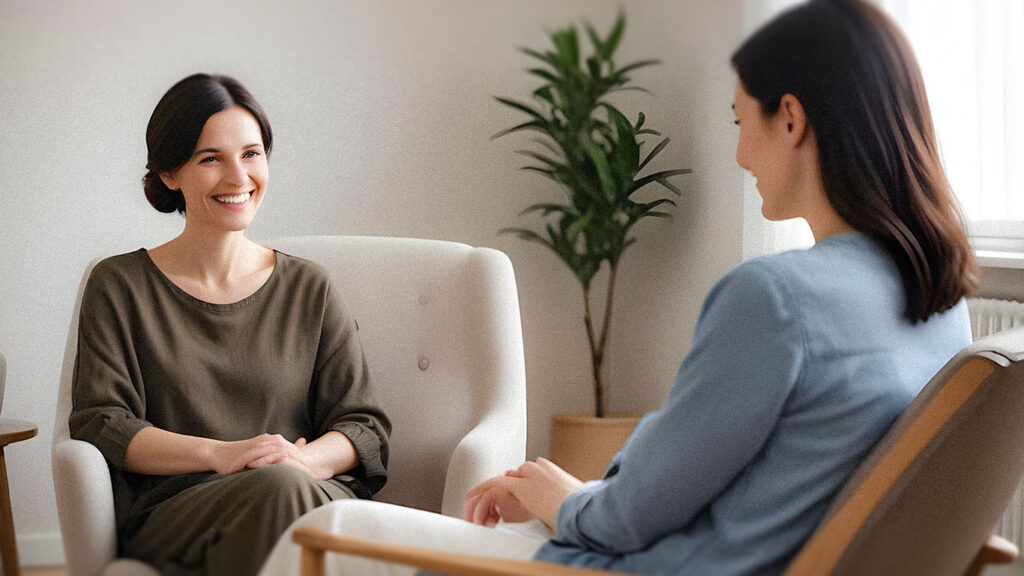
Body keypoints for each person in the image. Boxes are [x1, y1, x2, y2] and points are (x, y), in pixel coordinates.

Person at [258, 0, 977, 574]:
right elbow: (752, 485)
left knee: (334, 525)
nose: (737, 152)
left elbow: (631, 520)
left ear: (790, 117)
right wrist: (576, 498)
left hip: (644, 563)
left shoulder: (775, 299)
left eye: (740, 119)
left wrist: (558, 496)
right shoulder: (941, 301)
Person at [69, 73, 391, 576]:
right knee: (284, 495)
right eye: (210, 158)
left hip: (304, 493)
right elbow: (103, 422)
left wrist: (301, 462)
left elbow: (363, 427)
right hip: (182, 511)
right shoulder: (119, 284)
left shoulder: (311, 288)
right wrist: (223, 454)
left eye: (251, 153)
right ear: (170, 172)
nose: (238, 177)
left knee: (287, 490)